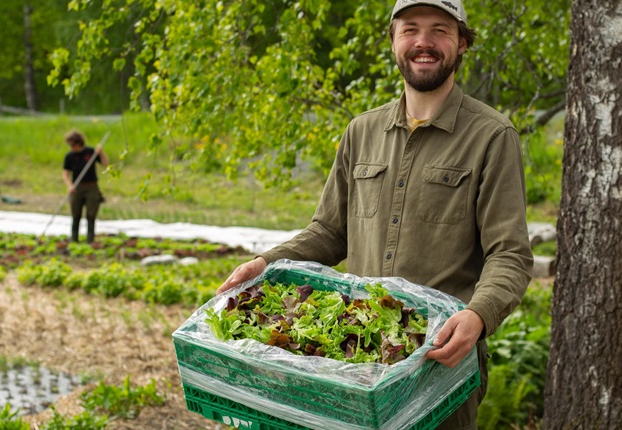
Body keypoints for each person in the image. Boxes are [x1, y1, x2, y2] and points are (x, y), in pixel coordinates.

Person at [217, 1, 533, 428]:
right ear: (393, 40)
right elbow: (330, 231)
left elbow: (509, 254)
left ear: (462, 43)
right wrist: (265, 263)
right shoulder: (361, 131)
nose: (423, 42)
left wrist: (478, 315)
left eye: (440, 30)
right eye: (410, 29)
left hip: (439, 366)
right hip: (358, 362)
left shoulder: (492, 136)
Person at [62, 129, 108, 244]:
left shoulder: (90, 152)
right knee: (75, 215)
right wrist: (70, 185)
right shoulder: (69, 156)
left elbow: (105, 163)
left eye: (73, 145)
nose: (72, 148)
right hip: (77, 188)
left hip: (91, 187)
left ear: (79, 143)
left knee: (91, 215)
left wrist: (101, 152)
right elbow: (65, 173)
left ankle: (90, 240)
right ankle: (74, 240)